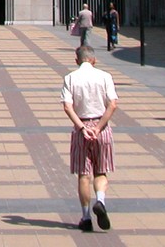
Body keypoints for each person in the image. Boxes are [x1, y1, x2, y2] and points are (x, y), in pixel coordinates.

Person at [61, 43, 119, 233]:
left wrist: (82, 127)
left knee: (83, 175)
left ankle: (86, 217)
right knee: (101, 172)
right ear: (93, 59)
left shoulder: (70, 78)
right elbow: (112, 104)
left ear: (76, 60)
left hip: (81, 127)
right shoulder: (105, 76)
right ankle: (100, 200)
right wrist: (99, 127)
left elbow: (67, 106)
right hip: (101, 129)